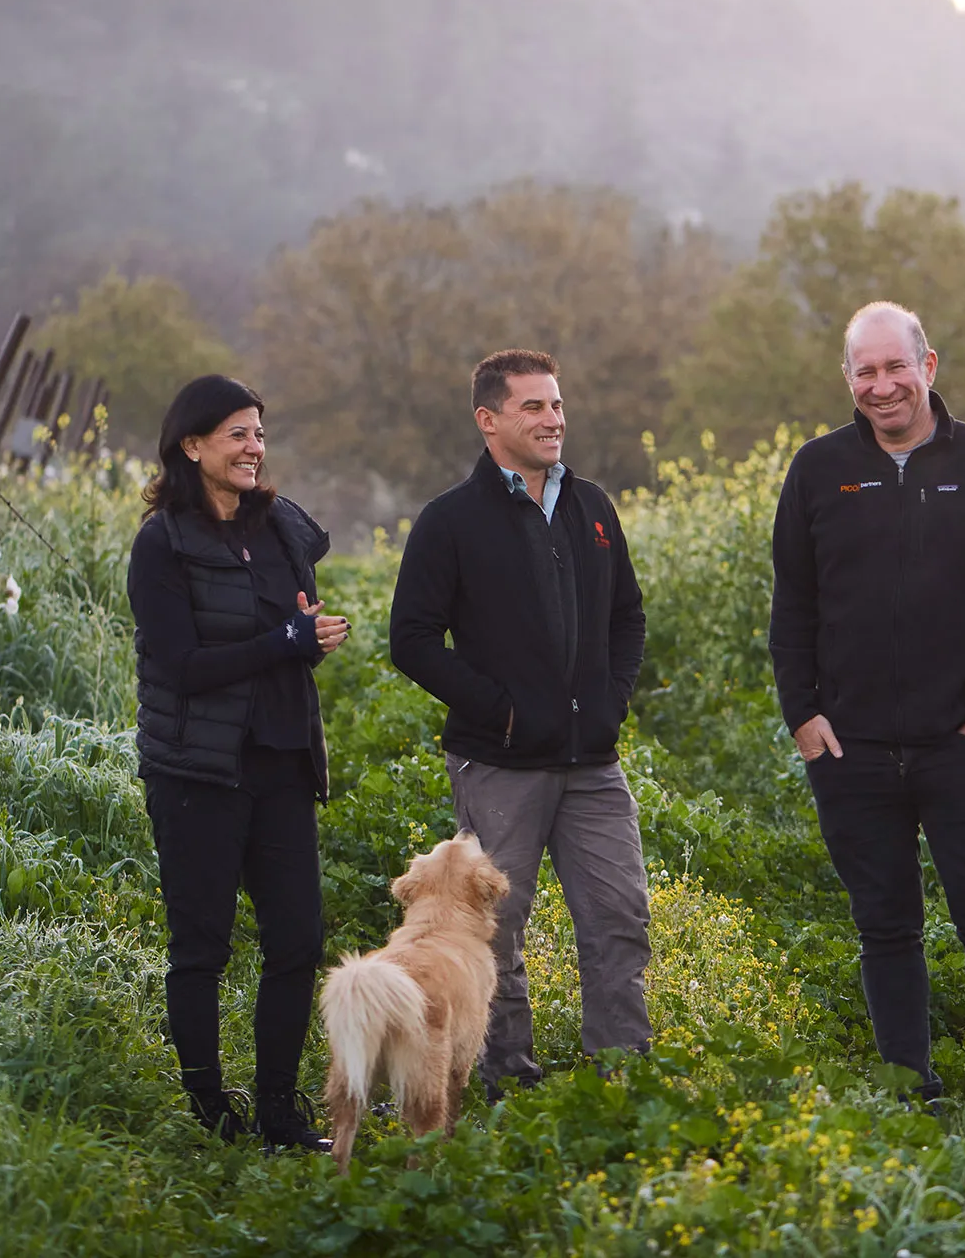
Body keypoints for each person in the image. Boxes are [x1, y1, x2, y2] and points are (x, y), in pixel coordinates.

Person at [768, 301, 965, 1155]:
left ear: (929, 367)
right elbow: (794, 604)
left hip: (960, 747)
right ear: (848, 380)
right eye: (865, 372)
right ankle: (909, 1093)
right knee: (885, 926)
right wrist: (803, 714)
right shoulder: (818, 469)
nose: (882, 385)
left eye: (896, 367)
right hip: (849, 749)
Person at [388, 348, 652, 1093]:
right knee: (494, 931)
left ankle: (620, 1075)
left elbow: (627, 617)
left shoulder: (592, 507)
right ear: (489, 419)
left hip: (592, 764)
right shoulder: (450, 521)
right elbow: (410, 640)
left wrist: (609, 701)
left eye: (557, 405)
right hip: (500, 764)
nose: (553, 419)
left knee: (619, 917)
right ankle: (506, 1077)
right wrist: (500, 710)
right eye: (533, 407)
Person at [127, 374, 350, 1152]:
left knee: (296, 941)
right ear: (192, 446)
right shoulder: (162, 543)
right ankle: (209, 1112)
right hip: (198, 773)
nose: (255, 447)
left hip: (282, 760)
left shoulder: (282, 529)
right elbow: (182, 664)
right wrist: (280, 645)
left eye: (259, 432)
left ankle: (280, 1114)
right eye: (238, 434)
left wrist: (307, 641)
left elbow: (288, 636)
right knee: (203, 946)